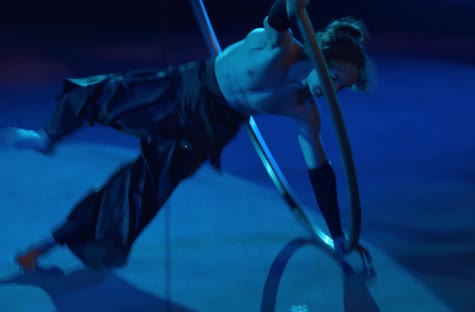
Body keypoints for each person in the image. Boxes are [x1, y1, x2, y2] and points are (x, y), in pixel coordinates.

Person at [2, 0, 372, 271]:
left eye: (342, 87)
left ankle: (46, 245)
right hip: (184, 89)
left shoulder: (305, 113)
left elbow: (320, 171)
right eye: (335, 76)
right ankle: (49, 137)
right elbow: (282, 12)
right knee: (102, 93)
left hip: (207, 131)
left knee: (137, 194)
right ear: (323, 57)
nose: (333, 90)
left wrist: (338, 237)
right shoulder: (277, 45)